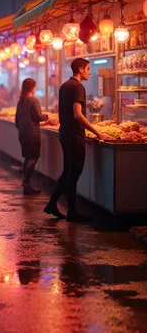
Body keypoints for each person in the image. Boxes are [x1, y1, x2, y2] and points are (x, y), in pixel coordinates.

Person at [44, 58, 110, 222]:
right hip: (74, 136)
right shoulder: (78, 87)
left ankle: (52, 204)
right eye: (88, 68)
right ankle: (72, 212)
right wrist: (98, 132)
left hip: (65, 134)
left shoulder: (65, 85)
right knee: (73, 173)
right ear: (80, 69)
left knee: (67, 172)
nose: (90, 71)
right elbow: (77, 114)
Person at [15, 78, 48, 195]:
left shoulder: (21, 101)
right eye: (35, 86)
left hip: (22, 133)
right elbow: (39, 117)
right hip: (32, 134)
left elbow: (16, 120)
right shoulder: (33, 100)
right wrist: (47, 116)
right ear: (32, 88)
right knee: (33, 157)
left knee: (28, 157)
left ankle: (26, 183)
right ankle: (26, 182)